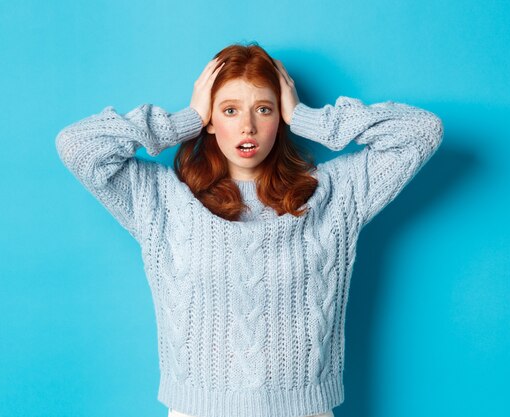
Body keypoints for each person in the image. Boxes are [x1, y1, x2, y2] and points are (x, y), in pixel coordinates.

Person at [55, 42, 444, 417]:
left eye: (263, 109)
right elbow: (77, 145)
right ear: (210, 119)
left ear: (280, 117)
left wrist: (308, 117)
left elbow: (421, 132)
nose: (247, 126)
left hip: (303, 412)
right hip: (197, 412)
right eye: (228, 110)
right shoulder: (162, 200)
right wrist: (184, 120)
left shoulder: (335, 194)